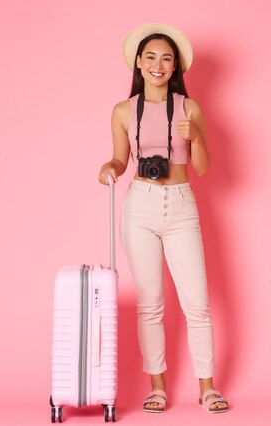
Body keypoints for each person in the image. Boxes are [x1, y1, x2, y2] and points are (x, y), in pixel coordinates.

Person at [98, 23, 229, 414]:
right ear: (138, 63)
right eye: (151, 57)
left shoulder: (190, 109)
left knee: (198, 305)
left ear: (175, 68)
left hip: (181, 204)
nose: (158, 64)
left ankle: (207, 388)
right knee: (150, 304)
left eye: (166, 58)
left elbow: (203, 168)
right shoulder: (123, 111)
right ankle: (157, 387)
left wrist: (197, 138)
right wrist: (110, 166)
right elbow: (121, 159)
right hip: (140, 204)